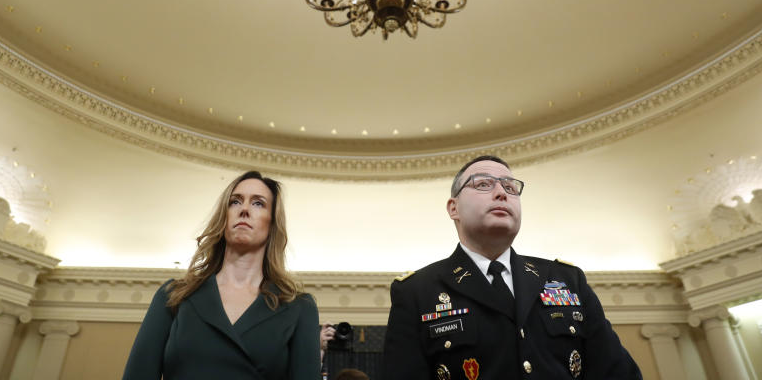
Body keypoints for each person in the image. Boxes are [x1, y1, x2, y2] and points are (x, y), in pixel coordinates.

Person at [382, 156, 641, 379]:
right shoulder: (417, 291)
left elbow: (617, 373)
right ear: (454, 208)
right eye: (483, 184)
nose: (501, 193)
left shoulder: (567, 279)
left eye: (510, 187)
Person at [121, 171, 320, 379]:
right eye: (235, 202)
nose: (244, 209)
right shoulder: (174, 295)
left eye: (258, 203)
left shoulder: (298, 307)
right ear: (224, 217)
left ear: (272, 223)